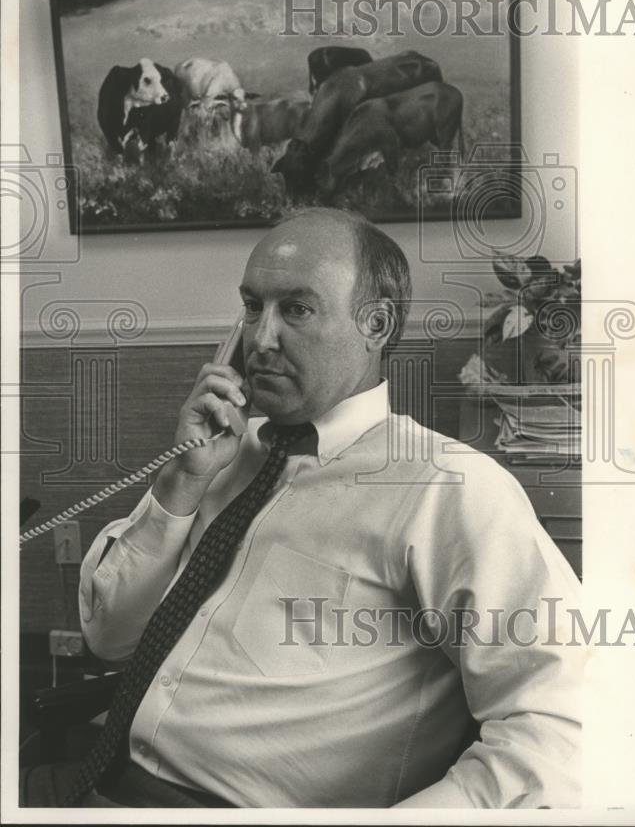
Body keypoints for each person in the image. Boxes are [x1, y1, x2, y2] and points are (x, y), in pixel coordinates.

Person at [21, 207, 582, 808]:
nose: (261, 340)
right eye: (252, 307)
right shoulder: (221, 456)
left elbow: (558, 729)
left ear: (376, 323)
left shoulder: (448, 489)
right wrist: (180, 484)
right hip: (92, 767)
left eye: (296, 309)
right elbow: (108, 637)